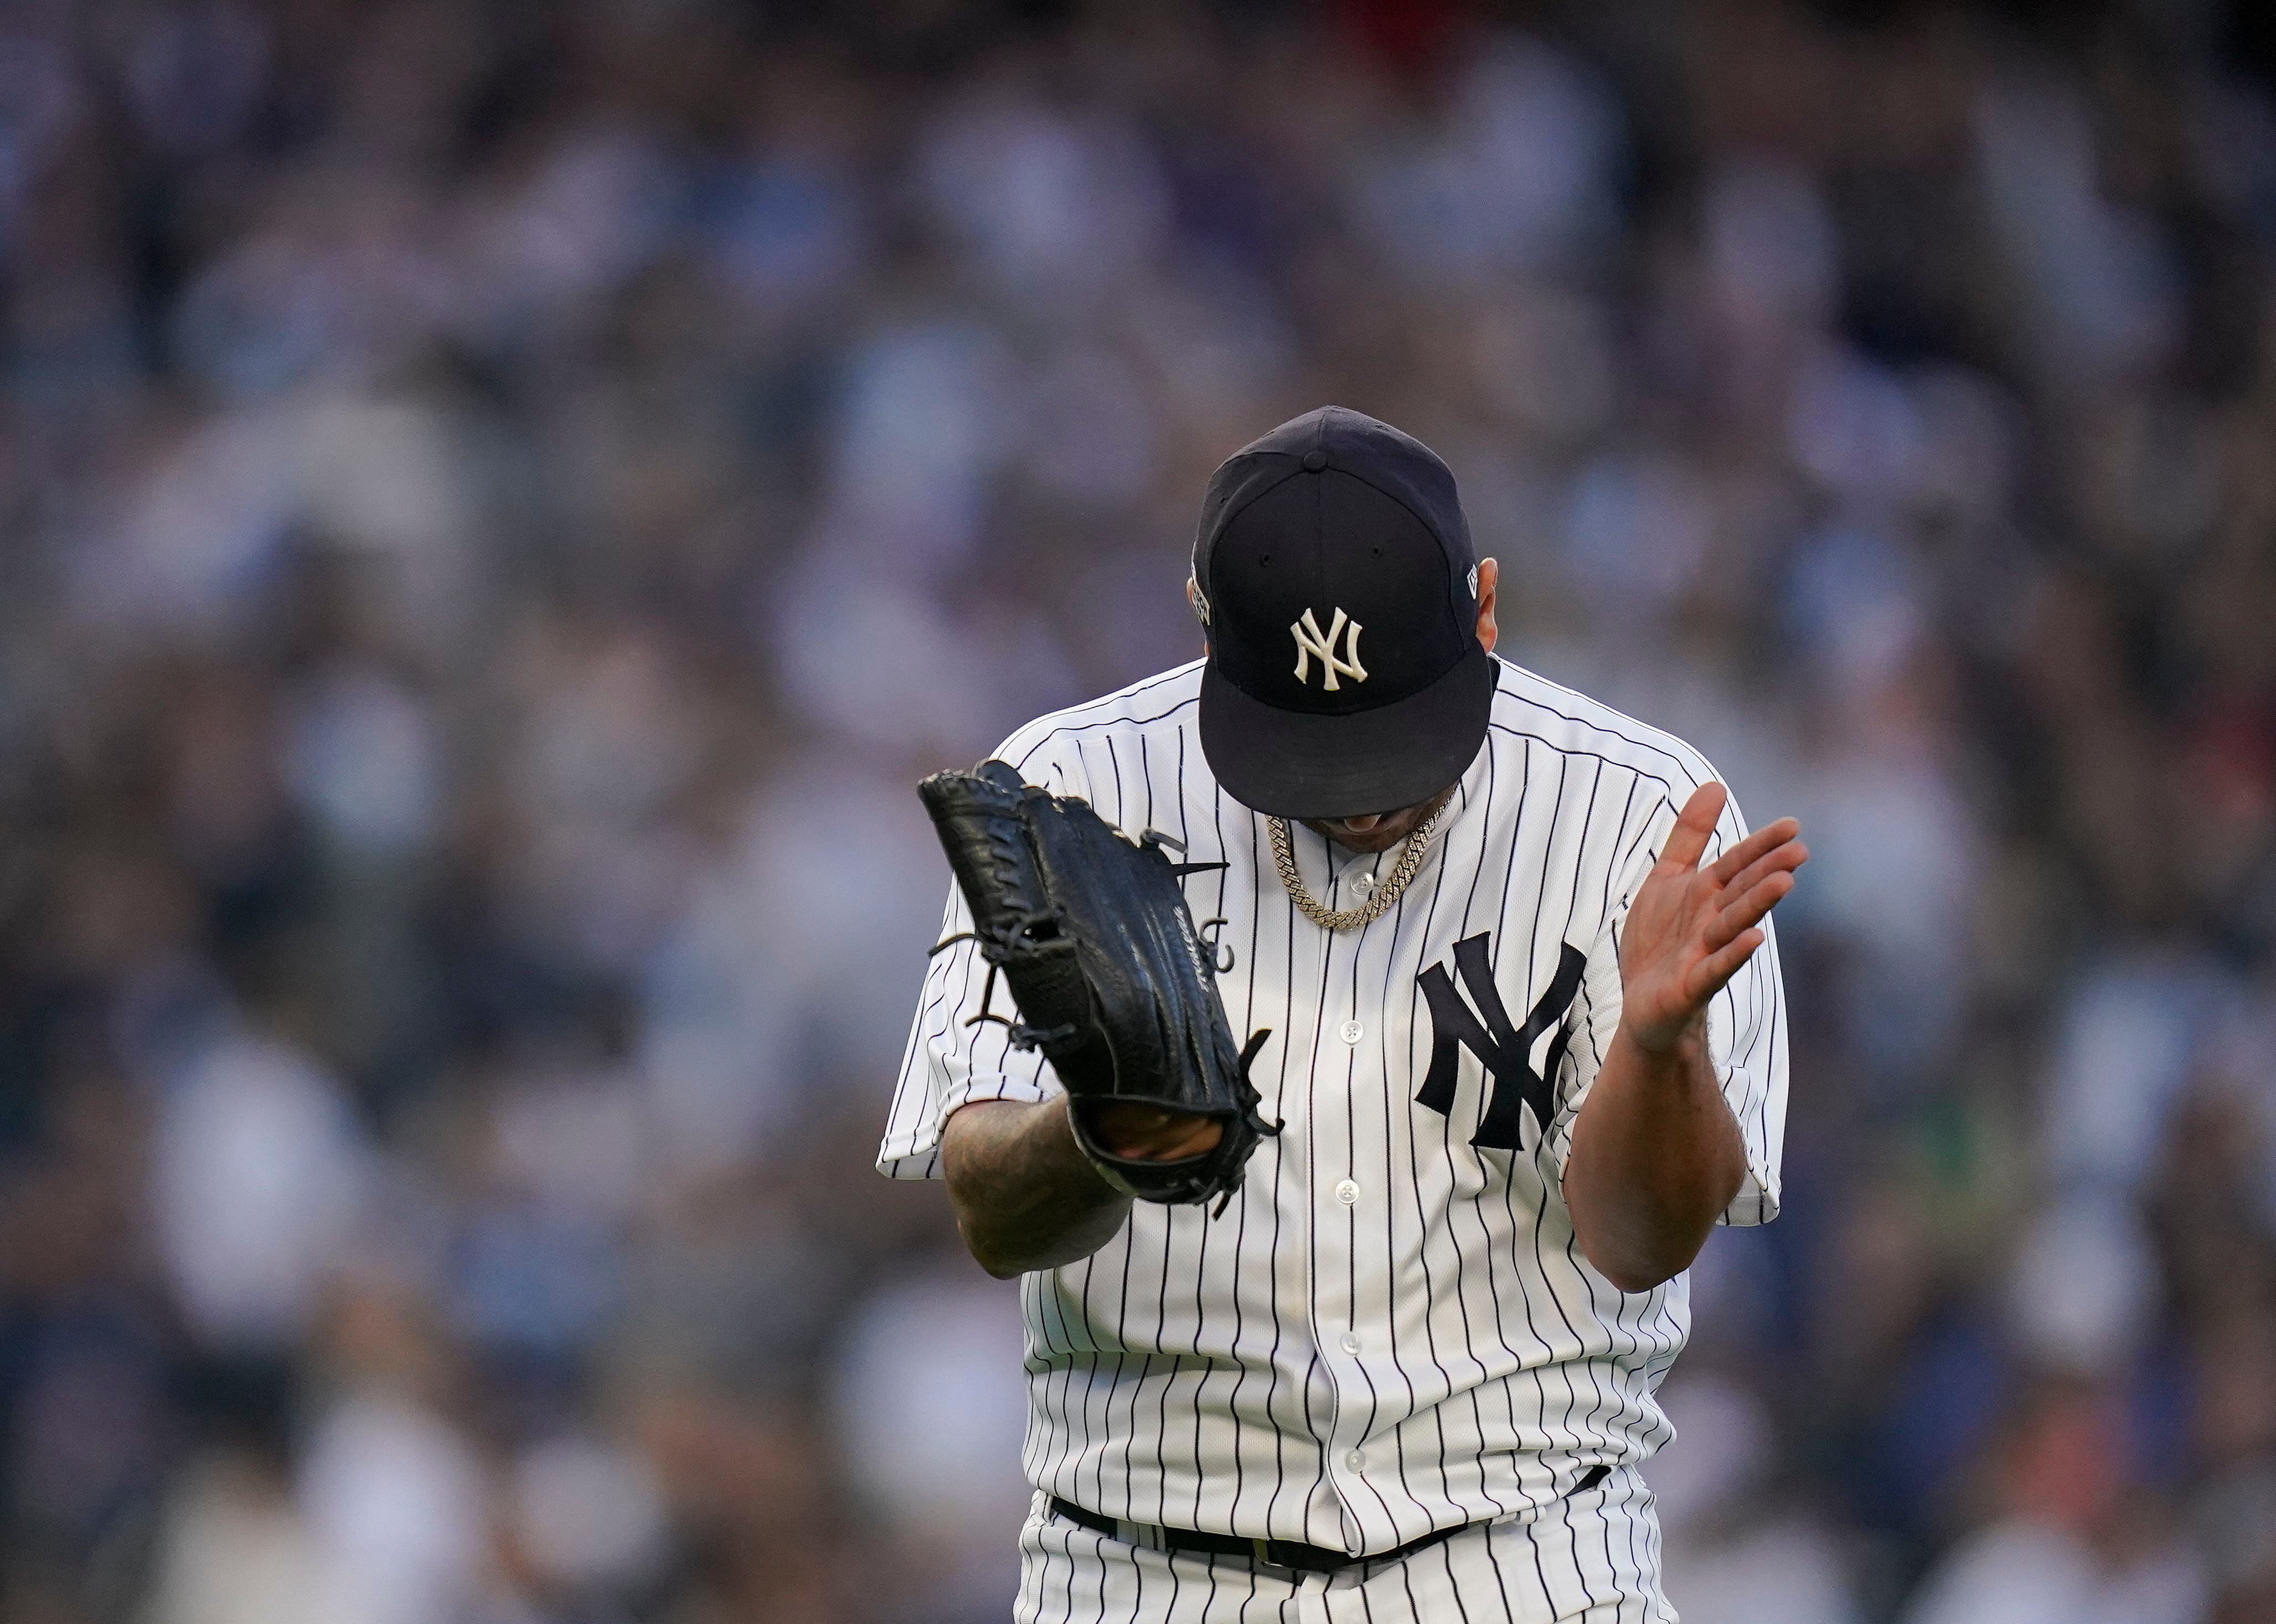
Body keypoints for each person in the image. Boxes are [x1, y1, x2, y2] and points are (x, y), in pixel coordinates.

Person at [879, 406, 1805, 1622]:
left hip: (1524, 1564)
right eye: (1311, 746)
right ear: (1205, 630)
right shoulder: (1063, 792)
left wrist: (1656, 1045)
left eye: (1395, 736)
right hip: (1144, 1572)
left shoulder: (1642, 815)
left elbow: (1643, 1240)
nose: (1362, 801)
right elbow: (990, 1214)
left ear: (1485, 609)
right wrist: (1096, 1138)